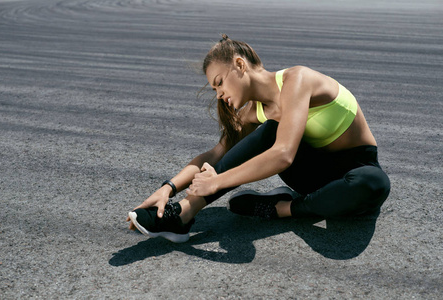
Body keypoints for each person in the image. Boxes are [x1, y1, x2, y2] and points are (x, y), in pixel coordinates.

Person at [126, 34, 391, 243]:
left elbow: (284, 153)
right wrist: (168, 187)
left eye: (219, 82)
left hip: (356, 169)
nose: (218, 94)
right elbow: (216, 155)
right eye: (214, 89)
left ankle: (280, 208)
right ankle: (183, 214)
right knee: (271, 130)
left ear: (240, 64)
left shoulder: (298, 79)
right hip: (312, 176)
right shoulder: (253, 112)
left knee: (374, 184)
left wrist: (217, 181)